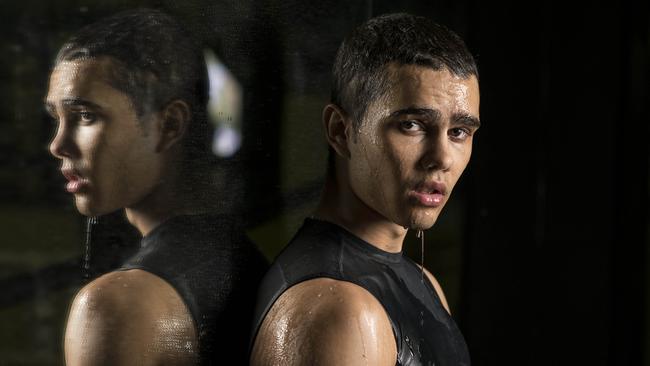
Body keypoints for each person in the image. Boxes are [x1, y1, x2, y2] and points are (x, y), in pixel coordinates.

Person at [250, 13, 480, 366]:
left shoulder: (423, 283)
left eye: (459, 132)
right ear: (341, 131)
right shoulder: (344, 312)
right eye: (412, 125)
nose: (441, 158)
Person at [45, 9, 267, 365]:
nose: (58, 144)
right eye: (58, 118)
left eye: (86, 116)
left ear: (169, 125)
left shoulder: (115, 305)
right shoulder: (248, 260)